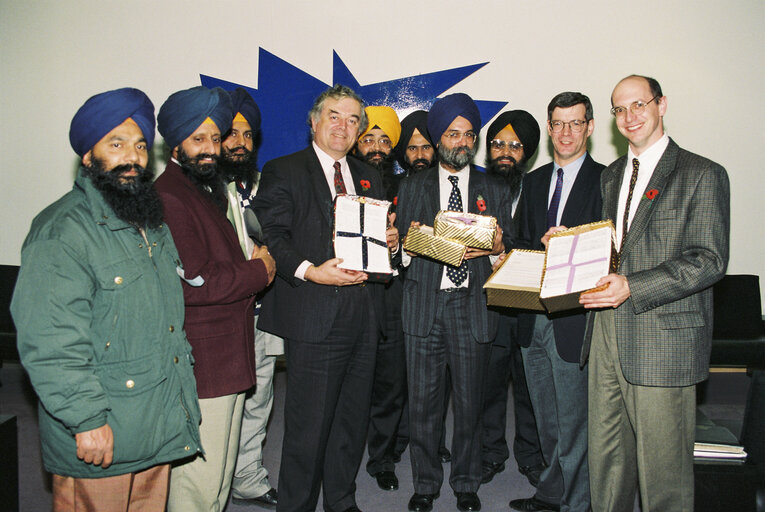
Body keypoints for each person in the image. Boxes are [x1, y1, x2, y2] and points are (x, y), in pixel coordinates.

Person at [10, 87, 202, 511]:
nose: (132, 158)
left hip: (154, 423)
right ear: (88, 156)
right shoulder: (62, 231)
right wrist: (86, 420)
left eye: (139, 146)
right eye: (116, 145)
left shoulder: (149, 223)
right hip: (102, 431)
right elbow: (52, 342)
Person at [580, 75, 729, 512]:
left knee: (664, 475)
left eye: (639, 104)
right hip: (606, 331)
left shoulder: (702, 173)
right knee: (607, 466)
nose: (629, 116)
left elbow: (709, 260)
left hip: (663, 338)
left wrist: (634, 286)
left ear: (661, 105)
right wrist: (570, 246)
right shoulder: (611, 176)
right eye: (619, 109)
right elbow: (616, 251)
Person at [253, 84, 399, 512]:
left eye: (354, 119)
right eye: (335, 115)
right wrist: (311, 270)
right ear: (314, 121)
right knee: (307, 428)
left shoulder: (371, 177)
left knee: (351, 422)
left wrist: (389, 242)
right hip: (314, 315)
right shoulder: (284, 169)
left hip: (364, 314)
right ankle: (296, 506)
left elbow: (377, 242)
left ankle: (341, 499)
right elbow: (271, 235)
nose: (344, 125)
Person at [154, 85, 276, 512]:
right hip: (204, 360)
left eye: (213, 137)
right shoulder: (171, 194)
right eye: (197, 138)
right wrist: (259, 270)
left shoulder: (206, 187)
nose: (209, 149)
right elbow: (196, 281)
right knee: (197, 484)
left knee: (220, 477)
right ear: (176, 142)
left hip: (229, 352)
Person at [396, 93, 512, 512]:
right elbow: (398, 256)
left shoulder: (493, 187)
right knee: (423, 404)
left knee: (469, 403)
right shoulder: (411, 186)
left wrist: (499, 249)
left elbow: (509, 254)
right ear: (437, 137)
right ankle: (425, 484)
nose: (461, 142)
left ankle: (467, 483)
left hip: (473, 306)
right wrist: (405, 244)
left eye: (468, 135)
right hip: (425, 305)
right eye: (452, 134)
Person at [509, 92, 604, 512]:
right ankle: (550, 493)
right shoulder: (531, 181)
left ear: (590, 127)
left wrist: (570, 245)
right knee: (545, 417)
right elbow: (520, 243)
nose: (567, 132)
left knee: (574, 422)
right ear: (549, 129)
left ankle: (578, 504)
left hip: (576, 317)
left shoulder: (608, 179)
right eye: (559, 124)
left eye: (575, 123)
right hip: (534, 317)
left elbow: (613, 249)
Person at [219, 87, 282, 509]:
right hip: (220, 318)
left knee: (258, 401)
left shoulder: (261, 185)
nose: (240, 142)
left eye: (247, 135)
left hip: (262, 313)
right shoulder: (200, 189)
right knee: (221, 409)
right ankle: (214, 484)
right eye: (232, 134)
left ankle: (248, 477)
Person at [480, 110, 546, 487]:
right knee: (487, 387)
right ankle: (489, 453)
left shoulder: (539, 186)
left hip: (529, 304)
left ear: (528, 151)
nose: (505, 152)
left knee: (529, 386)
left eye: (515, 145)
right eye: (498, 144)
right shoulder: (475, 183)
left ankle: (531, 455)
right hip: (486, 303)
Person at [351, 106, 408, 493]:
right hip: (349, 294)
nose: (376, 147)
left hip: (392, 295)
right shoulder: (339, 181)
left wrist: (399, 239)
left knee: (390, 382)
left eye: (384, 140)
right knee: (352, 385)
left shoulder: (409, 187)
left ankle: (382, 458)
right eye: (368, 139)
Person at [390, 110, 452, 467]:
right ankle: (403, 439)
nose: (419, 156)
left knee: (439, 380)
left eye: (425, 147)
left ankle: (433, 439)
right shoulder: (403, 187)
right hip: (404, 291)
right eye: (411, 149)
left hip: (445, 295)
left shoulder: (454, 185)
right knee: (406, 377)